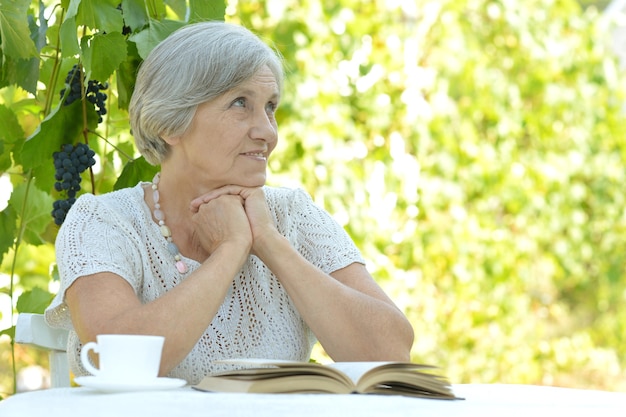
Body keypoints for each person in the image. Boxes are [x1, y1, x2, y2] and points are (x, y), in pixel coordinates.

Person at [45, 21, 414, 385]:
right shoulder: (104, 221)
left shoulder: (292, 215)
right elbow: (116, 359)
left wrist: (268, 241)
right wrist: (230, 251)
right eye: (240, 103)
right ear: (170, 123)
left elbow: (392, 354)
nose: (268, 132)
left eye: (270, 106)